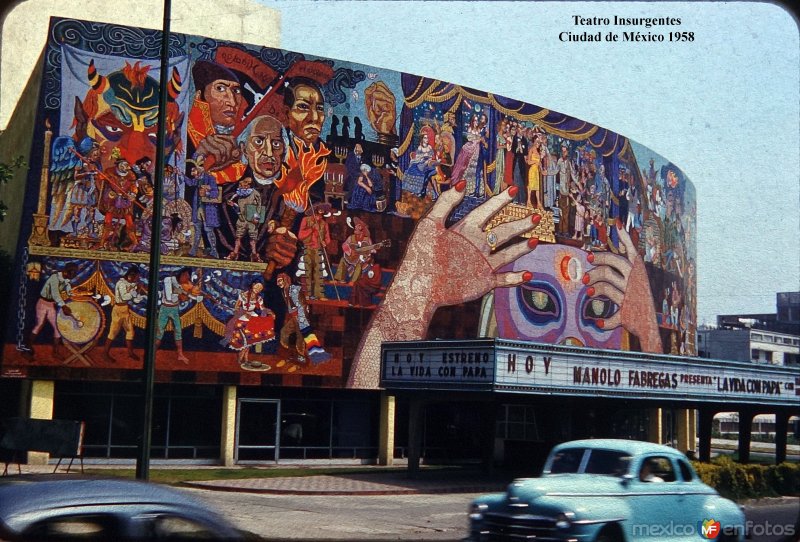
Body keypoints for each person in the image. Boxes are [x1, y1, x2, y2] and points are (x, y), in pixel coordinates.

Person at [187, 60, 247, 184]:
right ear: (199, 96)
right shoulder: (182, 138)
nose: (232, 102)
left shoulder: (245, 143)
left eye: (236, 91)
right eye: (220, 88)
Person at [23, 263, 78, 360]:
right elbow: (55, 294)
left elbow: (68, 289)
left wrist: (73, 292)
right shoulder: (54, 278)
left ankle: (55, 352)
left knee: (57, 328)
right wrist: (64, 306)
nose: (70, 278)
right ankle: (27, 349)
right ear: (65, 271)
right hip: (42, 303)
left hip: (51, 305)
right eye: (70, 275)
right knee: (39, 325)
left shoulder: (66, 279)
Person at [276, 273, 330, 364]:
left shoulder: (294, 290)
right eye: (277, 281)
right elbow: (290, 306)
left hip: (301, 317)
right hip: (294, 317)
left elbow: (302, 305)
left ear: (285, 280)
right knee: (284, 332)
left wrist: (301, 319)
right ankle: (288, 355)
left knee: (300, 337)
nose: (278, 283)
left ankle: (301, 358)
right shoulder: (284, 291)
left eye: (280, 281)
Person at [223, 279, 275, 368]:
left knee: (249, 340)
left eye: (260, 288)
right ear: (253, 285)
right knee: (245, 340)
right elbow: (236, 307)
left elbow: (262, 308)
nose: (258, 289)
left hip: (252, 317)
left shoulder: (259, 298)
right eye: (257, 286)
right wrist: (243, 313)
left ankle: (245, 358)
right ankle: (242, 357)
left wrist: (271, 312)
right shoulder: (243, 295)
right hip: (242, 316)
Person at [155, 268, 203, 364]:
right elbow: (170, 297)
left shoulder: (181, 285)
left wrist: (198, 298)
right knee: (159, 332)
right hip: (165, 308)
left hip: (174, 309)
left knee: (178, 331)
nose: (187, 280)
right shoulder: (168, 280)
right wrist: (184, 293)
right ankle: (153, 353)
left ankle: (180, 355)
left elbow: (185, 295)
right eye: (186, 277)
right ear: (182, 274)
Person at [104, 265, 146, 362]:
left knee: (130, 332)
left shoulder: (132, 284)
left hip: (125, 309)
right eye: (136, 277)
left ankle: (130, 353)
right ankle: (105, 353)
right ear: (131, 275)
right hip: (118, 310)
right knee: (113, 333)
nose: (137, 279)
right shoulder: (121, 283)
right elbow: (124, 297)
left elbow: (135, 300)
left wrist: (139, 291)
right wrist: (135, 290)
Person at [297, 203, 332, 300]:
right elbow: (300, 235)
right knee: (307, 271)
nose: (321, 211)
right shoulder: (306, 220)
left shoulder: (324, 224)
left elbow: (327, 238)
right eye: (319, 209)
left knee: (318, 272)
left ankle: (319, 295)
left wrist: (325, 242)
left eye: (323, 210)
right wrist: (311, 229)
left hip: (318, 249)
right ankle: (307, 294)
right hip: (307, 249)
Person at [334, 217, 372, 284]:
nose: (356, 227)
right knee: (343, 260)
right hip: (351, 258)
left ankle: (353, 281)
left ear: (362, 230)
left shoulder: (367, 240)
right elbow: (344, 245)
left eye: (359, 226)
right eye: (356, 226)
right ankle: (339, 279)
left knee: (360, 264)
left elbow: (370, 252)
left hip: (361, 260)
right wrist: (350, 252)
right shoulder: (351, 237)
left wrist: (366, 255)